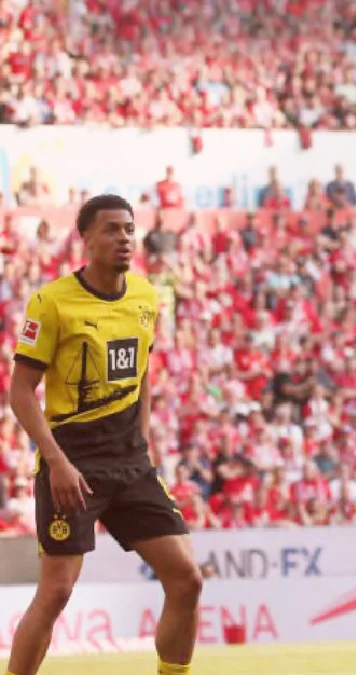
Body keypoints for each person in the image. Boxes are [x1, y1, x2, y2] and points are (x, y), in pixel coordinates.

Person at [6, 195, 203, 675]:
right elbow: (21, 391)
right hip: (72, 465)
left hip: (131, 464)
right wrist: (57, 462)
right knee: (56, 591)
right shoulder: (52, 302)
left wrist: (142, 444)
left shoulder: (145, 296)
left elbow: (143, 373)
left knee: (187, 579)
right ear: (87, 238)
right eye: (112, 229)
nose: (124, 238)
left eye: (129, 229)